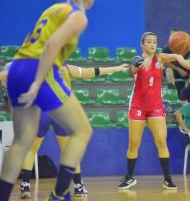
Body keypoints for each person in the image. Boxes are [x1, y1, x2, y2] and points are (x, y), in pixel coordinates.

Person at [0, 0, 97, 200]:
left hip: (16, 68)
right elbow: (53, 44)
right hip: (39, 69)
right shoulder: (78, 15)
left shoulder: (52, 9)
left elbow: (30, 41)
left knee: (21, 142)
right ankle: (59, 194)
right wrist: (37, 82)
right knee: (82, 131)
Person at [19, 63, 128, 199]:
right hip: (61, 111)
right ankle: (78, 186)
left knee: (31, 149)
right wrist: (115, 68)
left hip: (42, 111)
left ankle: (25, 185)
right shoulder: (67, 68)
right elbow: (92, 71)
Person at [118, 32, 190, 190]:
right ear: (142, 44)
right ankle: (130, 177)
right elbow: (131, 68)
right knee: (133, 144)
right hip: (137, 107)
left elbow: (178, 57)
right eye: (149, 42)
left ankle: (167, 179)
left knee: (161, 142)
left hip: (155, 107)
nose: (152, 44)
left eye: (155, 42)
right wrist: (142, 61)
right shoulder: (137, 61)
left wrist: (181, 59)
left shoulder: (161, 58)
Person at [163, 29, 190, 98]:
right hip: (173, 69)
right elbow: (165, 62)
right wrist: (178, 69)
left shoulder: (184, 46)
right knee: (168, 70)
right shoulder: (166, 49)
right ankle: (172, 91)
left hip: (183, 69)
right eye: (172, 36)